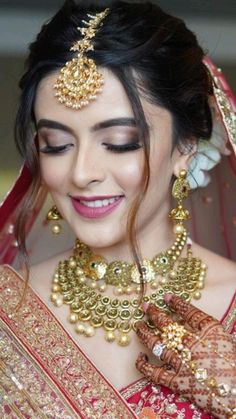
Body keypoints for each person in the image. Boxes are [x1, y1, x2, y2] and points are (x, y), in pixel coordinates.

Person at [0, 0, 235, 417]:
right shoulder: (7, 314)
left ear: (185, 146)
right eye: (57, 145)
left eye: (120, 141)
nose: (82, 172)